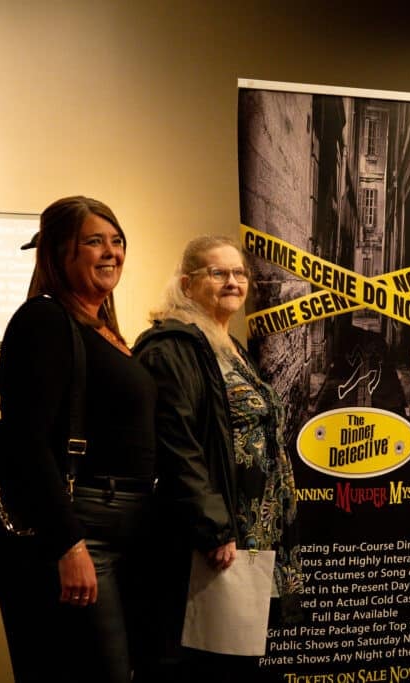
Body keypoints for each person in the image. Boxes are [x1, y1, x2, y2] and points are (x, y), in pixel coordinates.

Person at [0, 196, 157, 682]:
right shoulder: (44, 320)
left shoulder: (104, 329)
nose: (111, 252)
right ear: (61, 253)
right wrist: (70, 545)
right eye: (94, 241)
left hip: (130, 528)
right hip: (86, 531)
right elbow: (26, 442)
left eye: (117, 241)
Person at [133, 235, 303, 682]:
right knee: (209, 663)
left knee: (238, 660)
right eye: (218, 272)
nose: (233, 281)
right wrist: (214, 527)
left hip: (249, 537)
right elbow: (178, 444)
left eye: (239, 272)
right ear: (187, 284)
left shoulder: (225, 344)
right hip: (215, 542)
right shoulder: (172, 347)